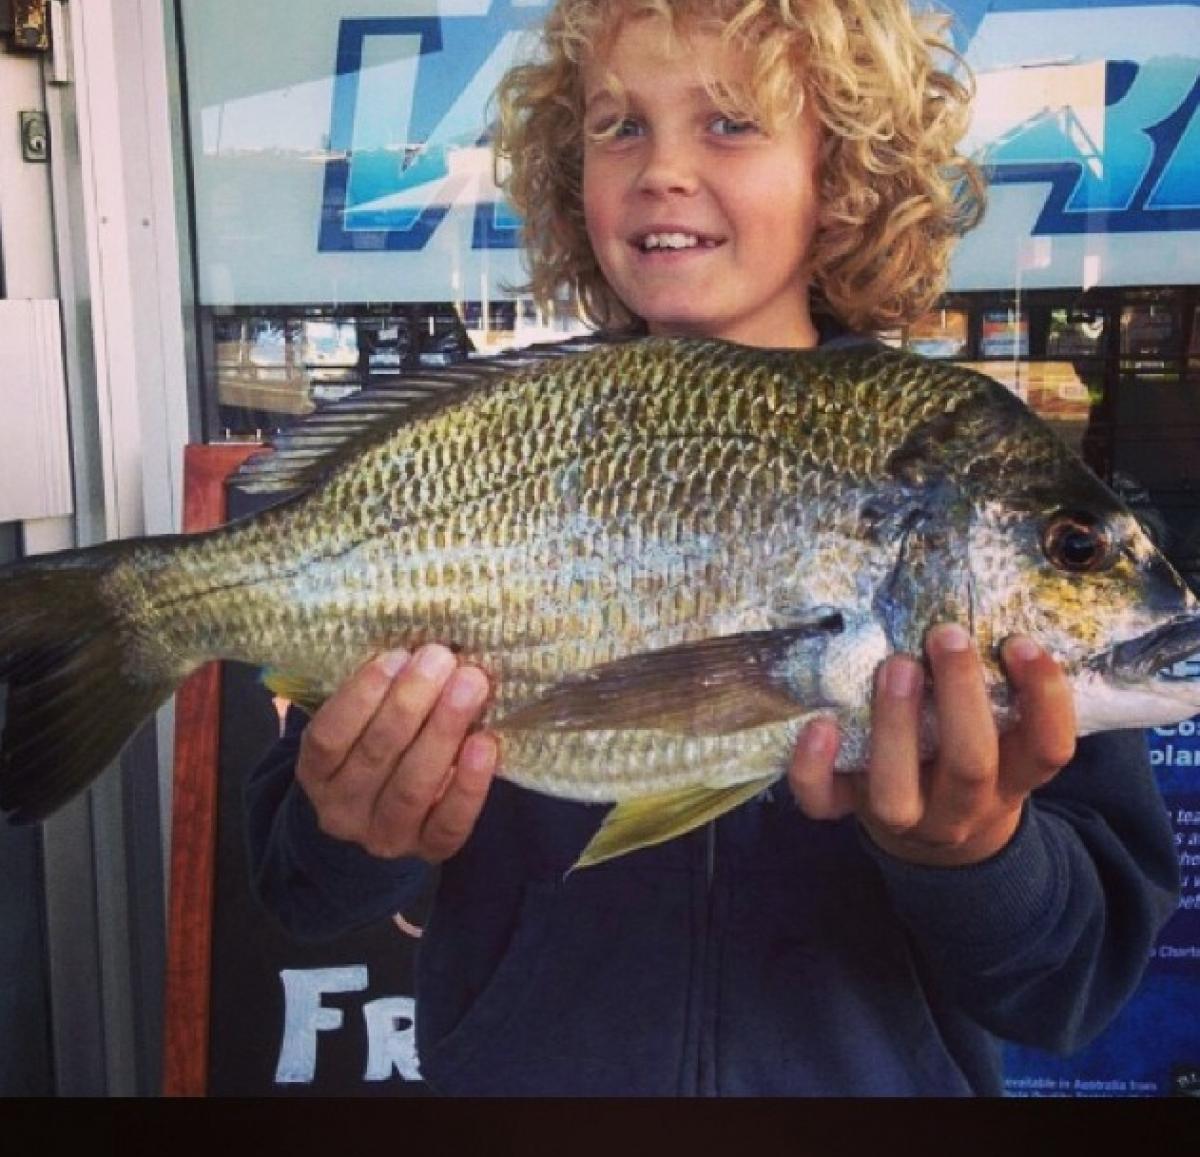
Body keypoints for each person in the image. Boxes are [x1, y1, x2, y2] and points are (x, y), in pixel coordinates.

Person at [245, 0, 1179, 1095]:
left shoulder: (963, 450)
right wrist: (359, 824)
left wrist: (975, 853)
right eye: (618, 126)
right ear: (569, 167)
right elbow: (298, 887)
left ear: (842, 173)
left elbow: (1072, 988)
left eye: (732, 124)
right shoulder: (498, 455)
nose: (662, 170)